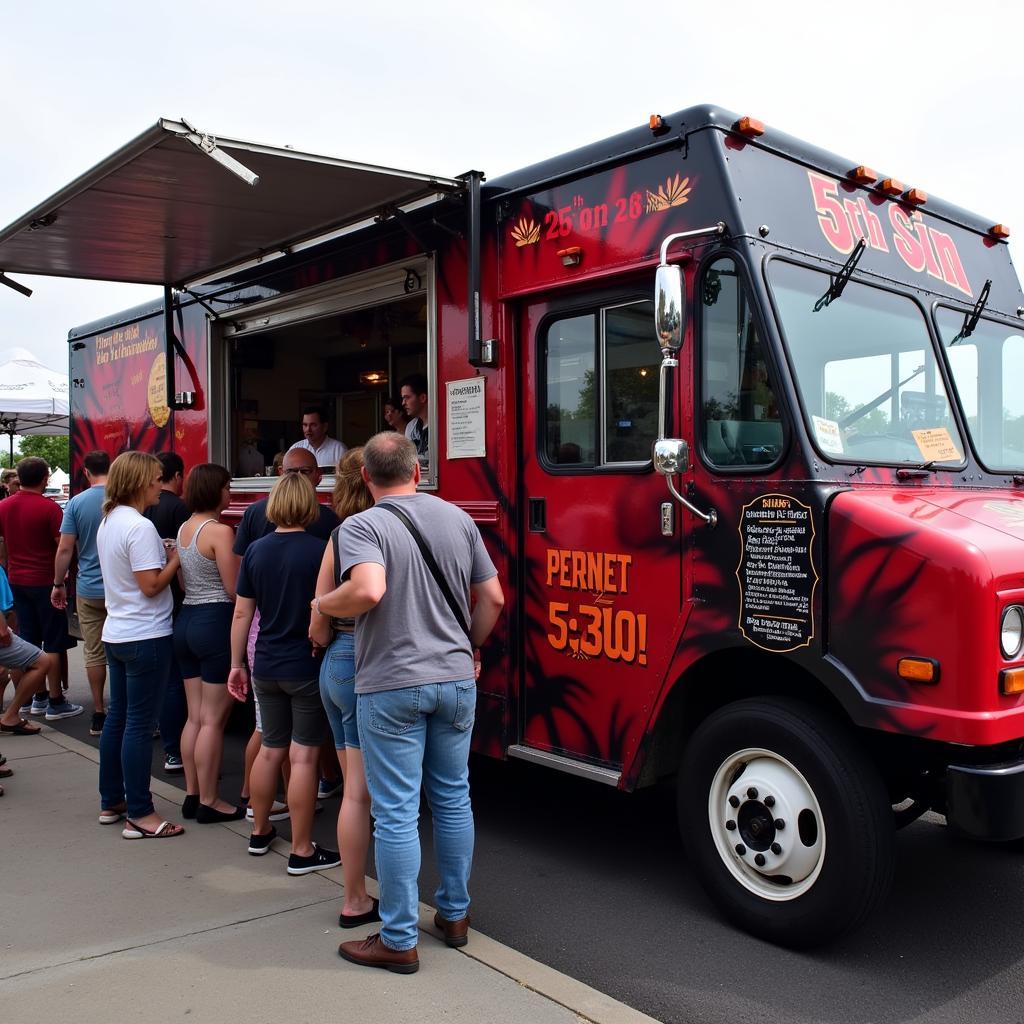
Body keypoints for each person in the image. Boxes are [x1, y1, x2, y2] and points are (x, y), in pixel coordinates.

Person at [325, 432, 504, 974]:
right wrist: (469, 646)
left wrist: (320, 601)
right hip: (455, 679)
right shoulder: (459, 519)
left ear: (364, 477)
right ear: (418, 469)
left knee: (397, 813)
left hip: (391, 684)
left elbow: (369, 591)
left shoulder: (361, 525)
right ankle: (454, 915)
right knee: (452, 800)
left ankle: (399, 938)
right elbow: (493, 597)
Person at [227, 472, 339, 874]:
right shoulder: (321, 549)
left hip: (266, 664)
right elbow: (328, 607)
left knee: (271, 748)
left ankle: (259, 831)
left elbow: (242, 612)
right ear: (310, 506)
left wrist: (237, 663)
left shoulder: (255, 550)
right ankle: (303, 849)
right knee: (304, 756)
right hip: (305, 663)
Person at [96, 451, 183, 839]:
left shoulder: (110, 520)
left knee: (119, 719)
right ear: (139, 482)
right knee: (138, 724)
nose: (160, 487)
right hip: (145, 634)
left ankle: (112, 800)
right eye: (155, 479)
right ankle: (140, 813)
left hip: (117, 631)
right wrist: (176, 560)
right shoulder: (140, 526)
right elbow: (150, 586)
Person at [312, 447, 378, 928]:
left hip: (335, 662)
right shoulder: (387, 529)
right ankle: (356, 901)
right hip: (371, 664)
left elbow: (317, 621)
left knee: (351, 789)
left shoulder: (339, 535)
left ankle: (355, 894)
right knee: (365, 793)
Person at [174, 463, 244, 823]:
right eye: (227, 487)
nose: (230, 493)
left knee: (195, 717)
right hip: (214, 623)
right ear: (215, 491)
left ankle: (192, 793)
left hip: (185, 621)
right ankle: (211, 801)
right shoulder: (219, 532)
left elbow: (185, 583)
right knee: (214, 721)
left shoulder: (184, 529)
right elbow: (234, 590)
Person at [0, 457, 82, 721]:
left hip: (15, 582)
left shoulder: (3, 506)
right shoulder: (50, 509)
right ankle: (55, 701)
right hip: (46, 582)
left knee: (28, 641)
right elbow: (64, 547)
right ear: (46, 478)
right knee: (54, 642)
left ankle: (36, 696)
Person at [52, 450, 110, 735]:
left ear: (86, 472)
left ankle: (99, 711)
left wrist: (58, 582)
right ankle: (127, 710)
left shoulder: (76, 503)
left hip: (89, 589)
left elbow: (64, 548)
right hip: (122, 589)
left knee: (94, 651)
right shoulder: (124, 498)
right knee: (127, 649)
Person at [143, 452, 189, 775]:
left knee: (156, 679)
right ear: (178, 476)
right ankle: (173, 750)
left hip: (139, 610)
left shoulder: (129, 515)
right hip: (170, 600)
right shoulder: (179, 508)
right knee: (173, 680)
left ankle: (159, 727)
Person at [289, 405, 347, 469]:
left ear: (325, 427)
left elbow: (345, 477)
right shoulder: (295, 449)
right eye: (305, 425)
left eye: (313, 425)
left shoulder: (338, 449)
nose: (308, 429)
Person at [399, 373, 429, 465]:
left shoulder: (441, 423)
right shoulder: (411, 427)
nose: (403, 403)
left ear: (423, 398)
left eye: (407, 398)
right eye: (403, 398)